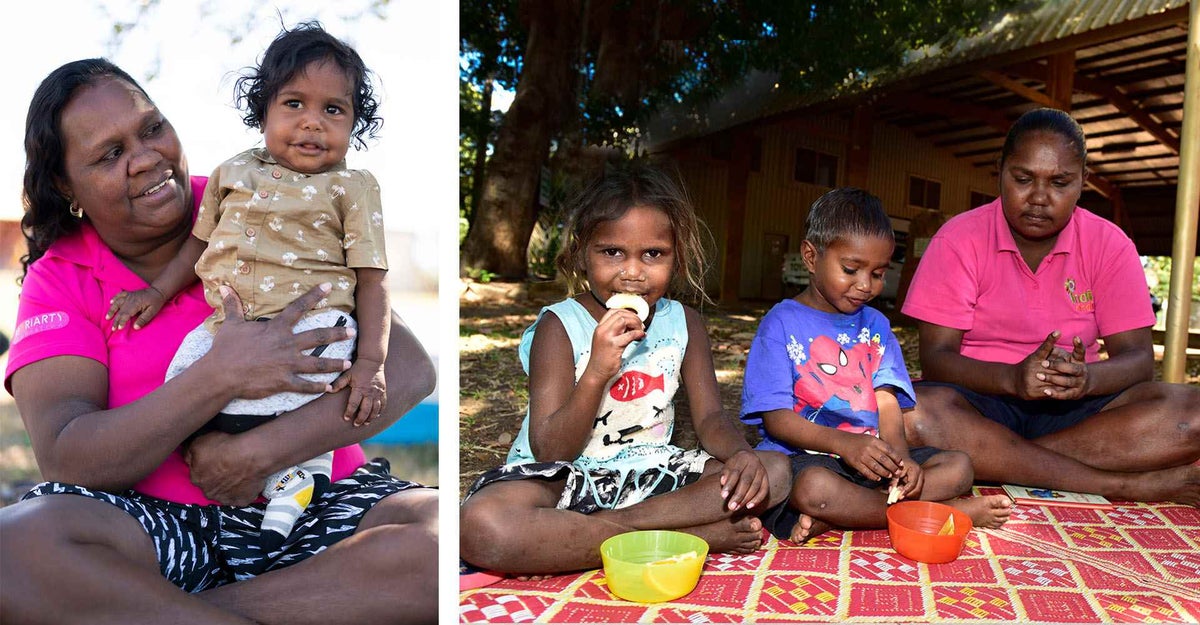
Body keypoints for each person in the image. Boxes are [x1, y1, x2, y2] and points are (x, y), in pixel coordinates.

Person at [0, 59, 437, 624]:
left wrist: (256, 453)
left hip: (315, 501)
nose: (146, 158)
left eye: (152, 128)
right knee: (15, 549)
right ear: (66, 184)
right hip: (158, 524)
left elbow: (407, 372)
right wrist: (220, 375)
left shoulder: (258, 199)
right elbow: (68, 456)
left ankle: (157, 616)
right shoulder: (61, 277)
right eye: (109, 155)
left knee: (437, 539)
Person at [106, 22, 391, 550]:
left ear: (354, 123)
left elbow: (373, 282)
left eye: (334, 110)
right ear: (263, 111)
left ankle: (299, 476)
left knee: (309, 390)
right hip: (228, 325)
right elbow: (198, 246)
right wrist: (157, 293)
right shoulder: (231, 172)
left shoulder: (352, 187)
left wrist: (371, 364)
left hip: (315, 319)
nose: (312, 123)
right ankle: (208, 459)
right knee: (182, 382)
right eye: (293, 104)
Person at [459, 165, 791, 576]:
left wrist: (741, 455)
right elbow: (551, 451)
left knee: (772, 472)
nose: (632, 272)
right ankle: (698, 536)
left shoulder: (683, 322)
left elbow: (709, 418)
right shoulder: (559, 326)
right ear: (583, 252)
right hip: (565, 478)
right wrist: (597, 370)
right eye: (612, 251)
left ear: (676, 257)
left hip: (652, 474)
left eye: (652, 254)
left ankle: (606, 532)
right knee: (482, 527)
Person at [902, 107, 1200, 506]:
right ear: (1000, 170)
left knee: (1193, 414)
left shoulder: (1110, 245)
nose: (1039, 198)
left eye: (1060, 182)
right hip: (979, 397)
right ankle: (1123, 484)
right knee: (912, 415)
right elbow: (937, 358)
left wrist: (1087, 380)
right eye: (1023, 179)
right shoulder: (957, 239)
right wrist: (1012, 379)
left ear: (1083, 182)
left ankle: (1001, 458)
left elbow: (1139, 360)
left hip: (1078, 409)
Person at [740, 188, 1011, 544]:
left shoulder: (876, 326)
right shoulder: (780, 323)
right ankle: (941, 512)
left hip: (872, 461)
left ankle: (851, 513)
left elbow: (886, 400)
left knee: (959, 467)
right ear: (810, 256)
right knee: (814, 489)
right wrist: (844, 445)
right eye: (851, 269)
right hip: (806, 459)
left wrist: (901, 461)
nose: (866, 285)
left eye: (879, 273)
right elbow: (777, 419)